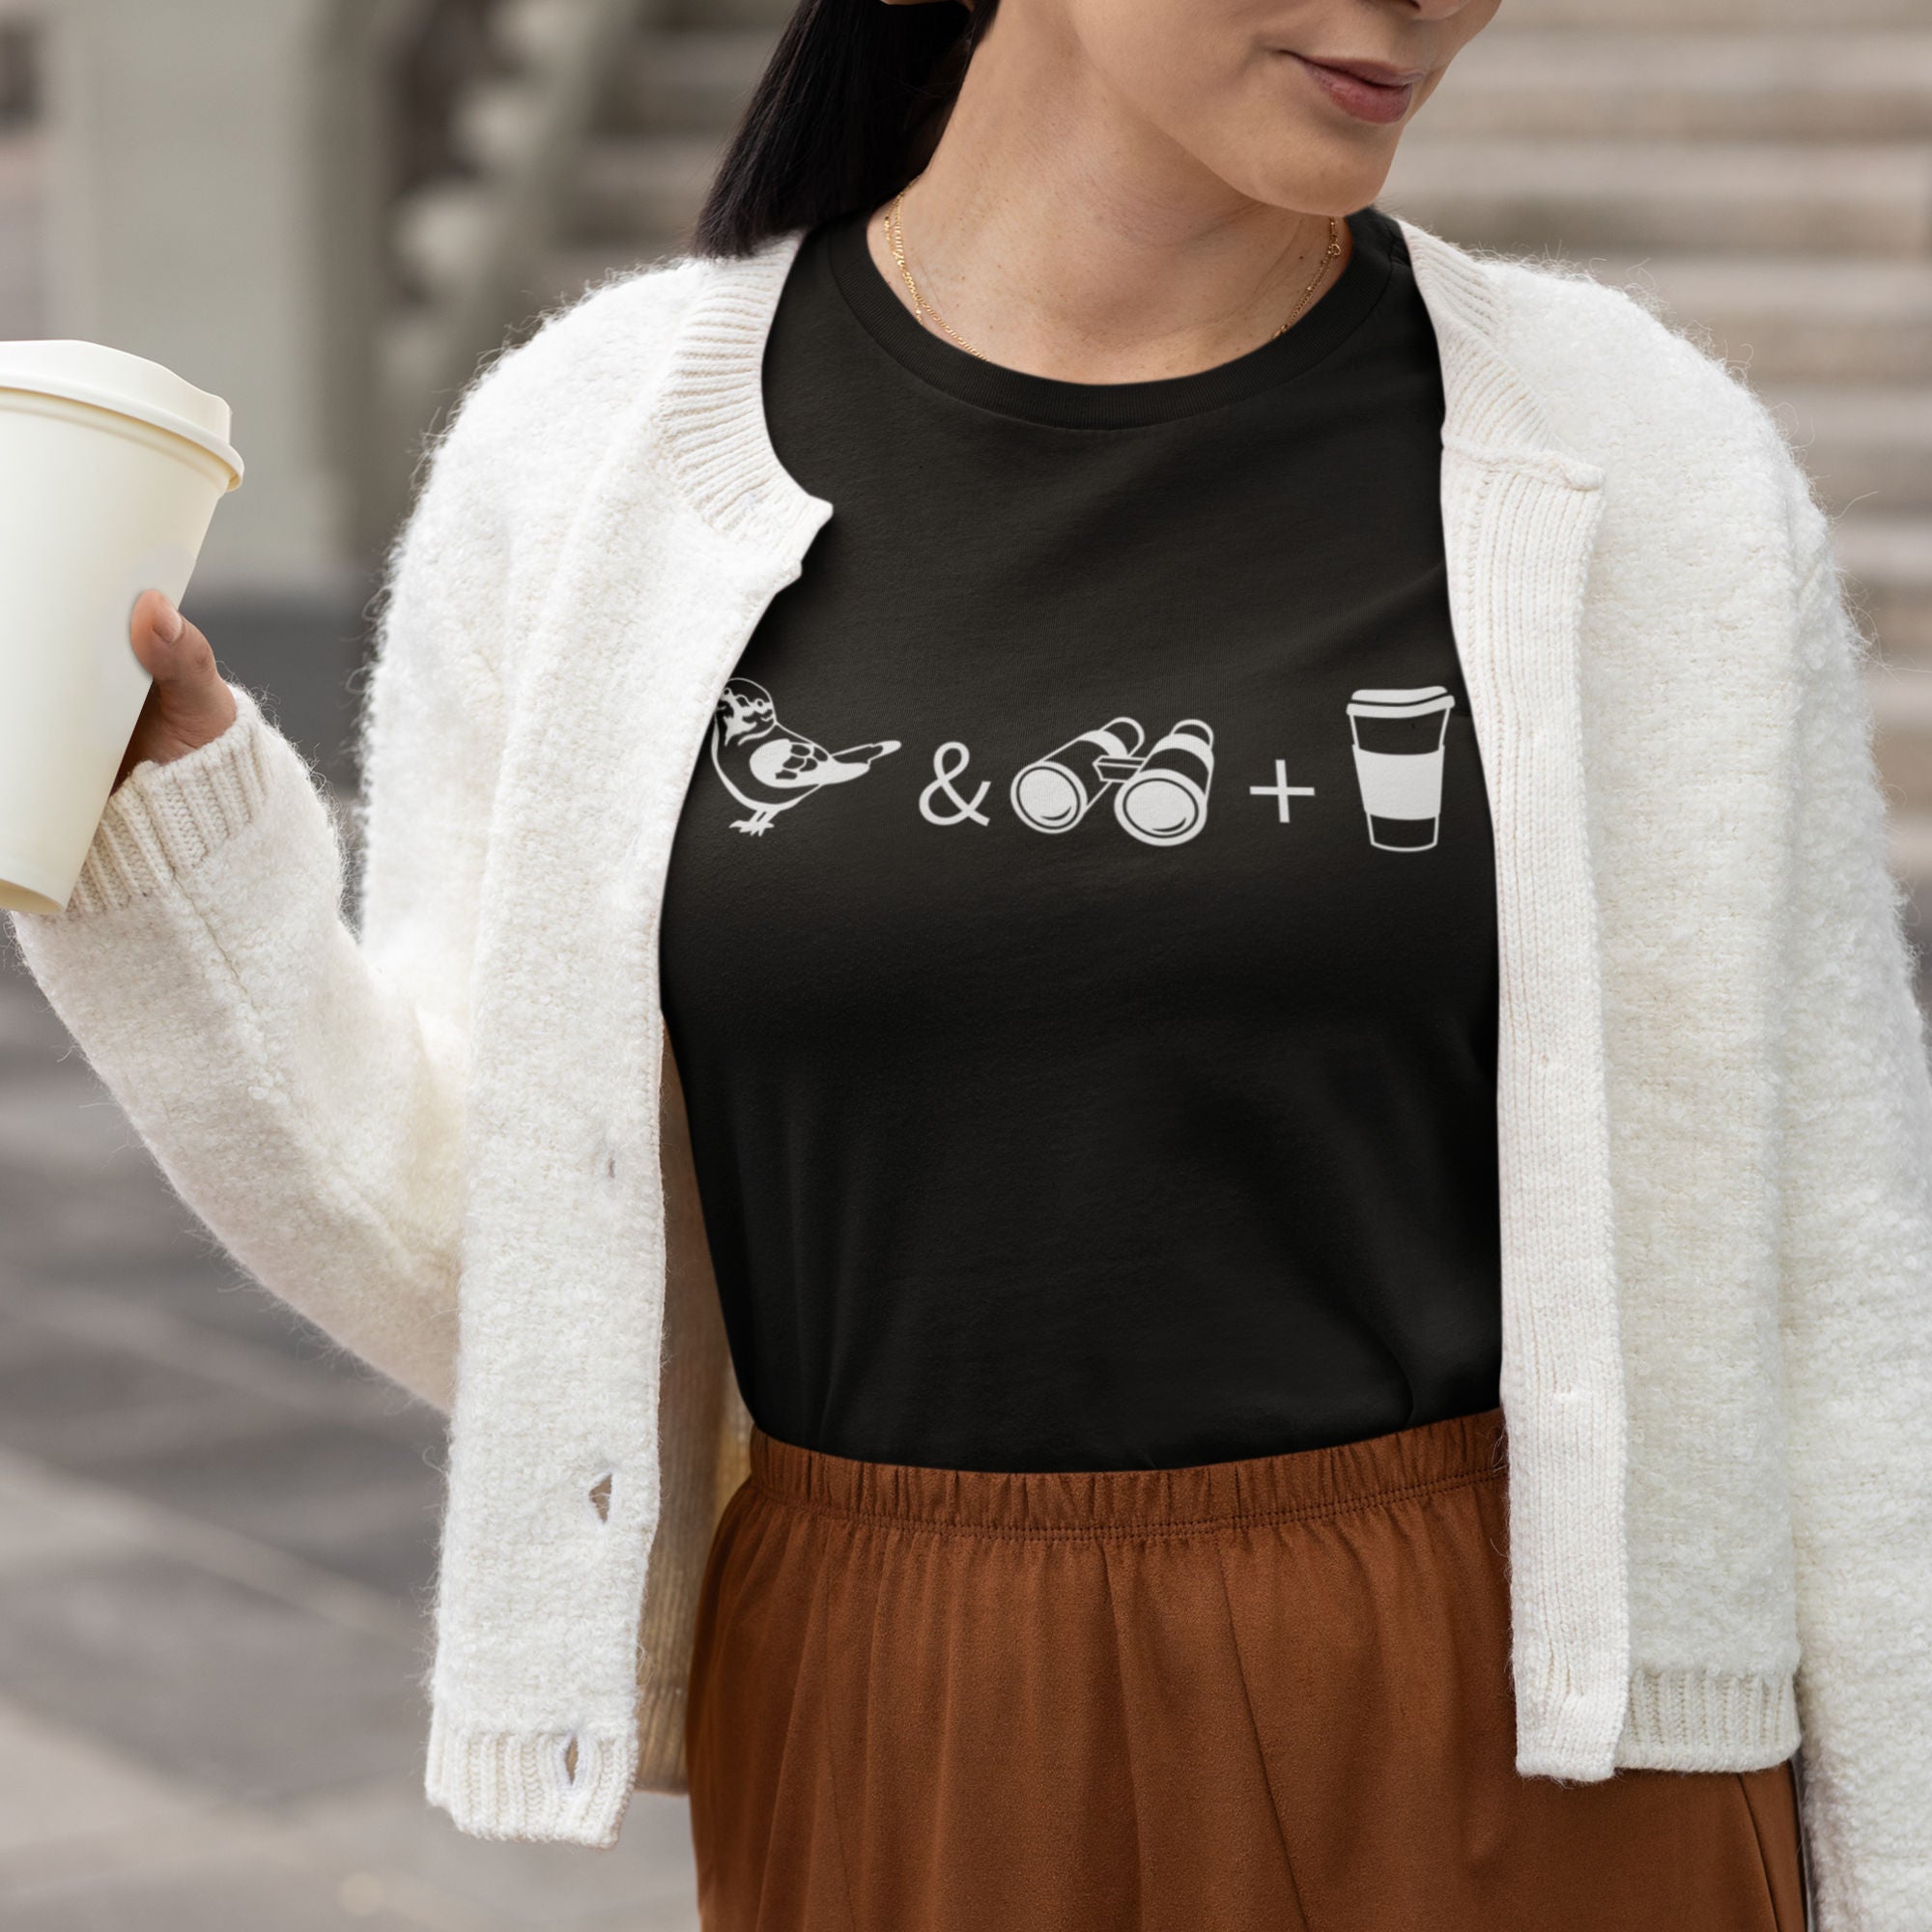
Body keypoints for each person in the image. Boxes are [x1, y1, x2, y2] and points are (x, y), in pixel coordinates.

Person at [12, 0, 1930, 1925]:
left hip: (1524, 1737)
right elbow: (510, 1271)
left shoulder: (1643, 459)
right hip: (898, 1734)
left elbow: (1843, 1287)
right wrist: (165, 845)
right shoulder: (585, 465)